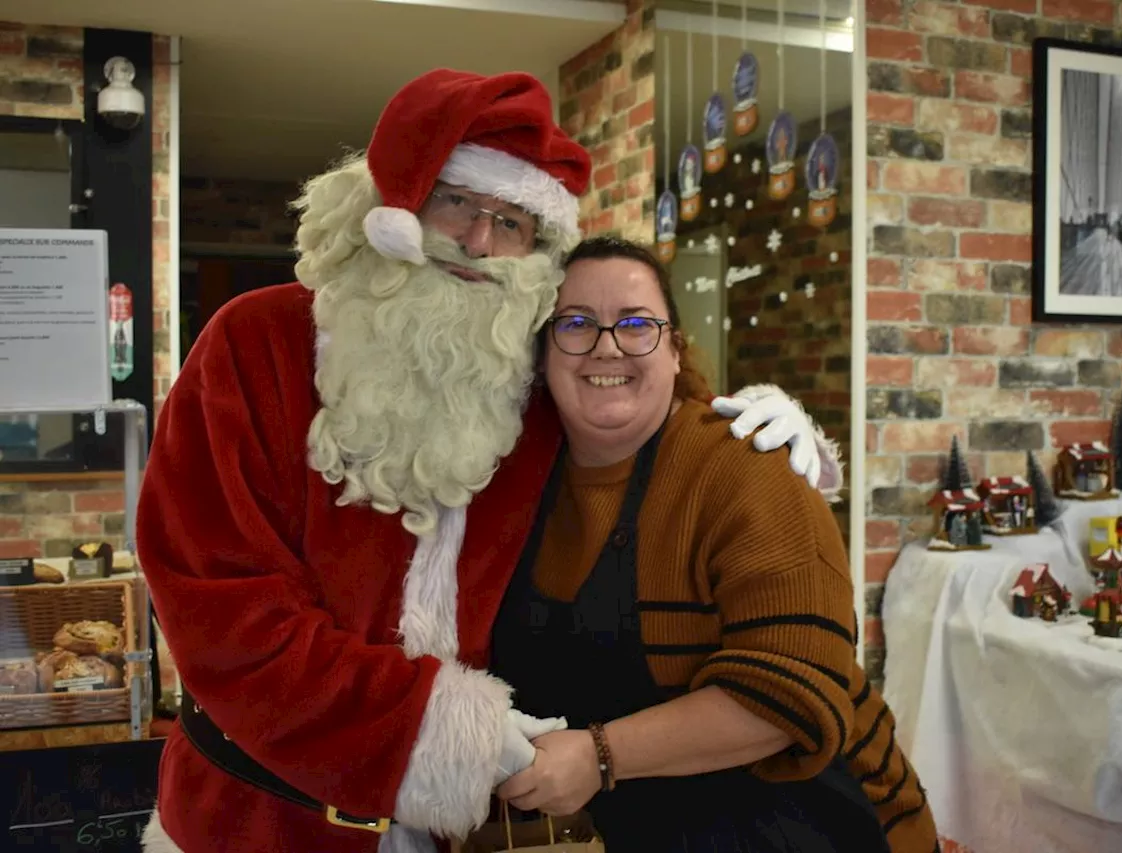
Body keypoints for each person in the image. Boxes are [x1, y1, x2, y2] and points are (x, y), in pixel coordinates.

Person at [136, 69, 838, 853]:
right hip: (252, 821)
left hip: (466, 833)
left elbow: (627, 390)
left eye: (512, 221)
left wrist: (752, 426)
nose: (478, 242)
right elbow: (218, 604)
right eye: (458, 202)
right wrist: (445, 732)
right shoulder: (253, 345)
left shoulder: (528, 384)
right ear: (401, 202)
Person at [488, 237, 939, 853]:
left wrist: (599, 757)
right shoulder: (519, 484)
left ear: (675, 349)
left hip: (795, 821)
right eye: (575, 324)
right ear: (543, 353)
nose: (606, 345)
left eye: (636, 324)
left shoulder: (745, 469)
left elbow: (793, 690)